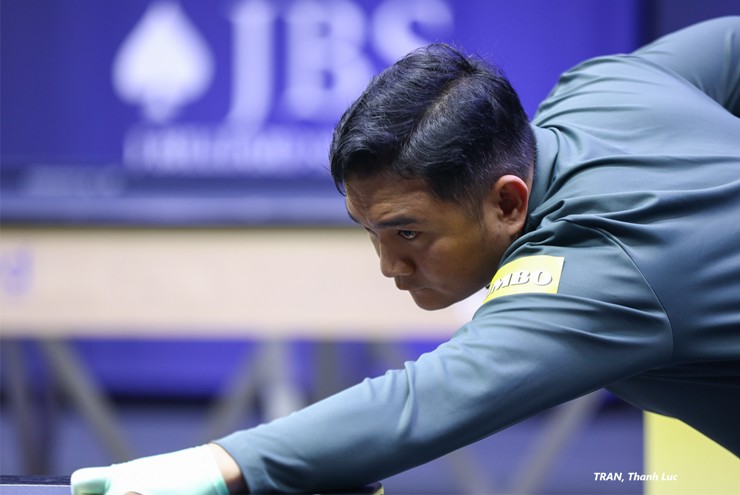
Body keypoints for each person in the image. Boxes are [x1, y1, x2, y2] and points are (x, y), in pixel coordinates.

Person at [71, 16, 740, 494]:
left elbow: (423, 403)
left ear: (508, 203)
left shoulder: (601, 266)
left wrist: (217, 465)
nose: (389, 266)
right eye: (369, 232)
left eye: (408, 234)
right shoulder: (605, 89)